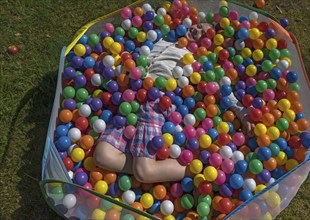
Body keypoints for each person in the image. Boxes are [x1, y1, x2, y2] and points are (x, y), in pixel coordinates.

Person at [94, 24, 253, 183]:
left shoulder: (196, 59)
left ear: (207, 44)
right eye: (197, 27)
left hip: (156, 100)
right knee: (102, 156)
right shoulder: (162, 38)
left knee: (144, 172)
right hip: (130, 98)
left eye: (203, 34)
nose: (196, 31)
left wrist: (242, 112)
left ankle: (201, 168)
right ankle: (145, 162)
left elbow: (219, 86)